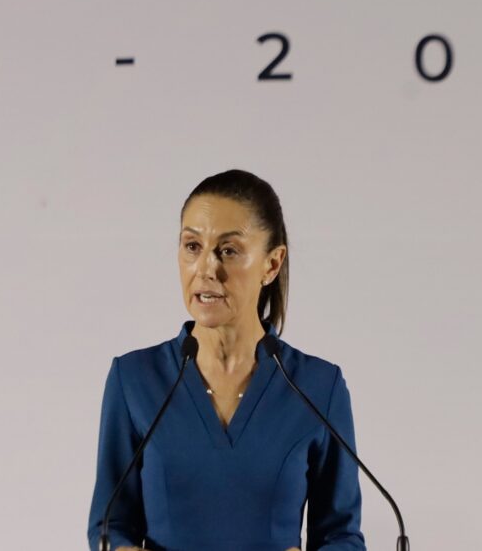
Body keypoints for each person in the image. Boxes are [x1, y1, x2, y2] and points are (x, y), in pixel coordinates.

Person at [87, 169, 366, 551]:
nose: (206, 269)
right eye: (192, 247)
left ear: (272, 264)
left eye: (229, 250)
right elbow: (109, 525)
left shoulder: (318, 387)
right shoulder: (134, 379)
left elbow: (341, 535)